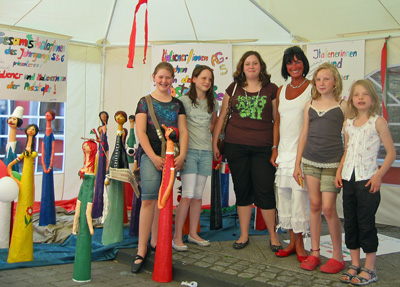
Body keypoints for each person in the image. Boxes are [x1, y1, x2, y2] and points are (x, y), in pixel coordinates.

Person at [212, 51, 281, 251]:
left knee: (265, 190)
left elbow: (277, 121)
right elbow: (222, 115)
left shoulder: (272, 89)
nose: (251, 66)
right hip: (236, 146)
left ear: (261, 66)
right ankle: (243, 235)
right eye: (247, 63)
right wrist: (215, 143)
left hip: (263, 147)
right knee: (242, 190)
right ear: (242, 67)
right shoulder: (233, 88)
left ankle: (273, 236)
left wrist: (277, 147)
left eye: (255, 63)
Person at [335, 79, 396, 285]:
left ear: (373, 98)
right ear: (351, 99)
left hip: (368, 180)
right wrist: (339, 172)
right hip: (349, 178)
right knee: (350, 222)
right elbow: (347, 151)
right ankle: (354, 263)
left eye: (365, 94)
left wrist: (378, 175)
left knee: (366, 222)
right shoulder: (348, 124)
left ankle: (370, 267)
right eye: (356, 94)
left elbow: (391, 153)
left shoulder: (377, 122)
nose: (360, 97)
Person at [132, 62, 188, 273]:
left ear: (173, 79)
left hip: (172, 159)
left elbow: (183, 131)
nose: (164, 81)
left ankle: (157, 242)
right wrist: (153, 157)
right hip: (150, 157)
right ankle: (141, 249)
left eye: (168, 78)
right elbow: (141, 132)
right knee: (149, 199)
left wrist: (182, 154)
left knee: (163, 202)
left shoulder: (177, 104)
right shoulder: (144, 102)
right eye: (160, 77)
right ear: (154, 77)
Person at [293, 62, 347, 273]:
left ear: (335, 82)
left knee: (328, 208)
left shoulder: (342, 106)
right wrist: (298, 163)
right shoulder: (310, 105)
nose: (322, 83)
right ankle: (314, 252)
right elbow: (304, 134)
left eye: (326, 79)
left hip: (333, 164)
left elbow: (348, 139)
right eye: (318, 79)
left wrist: (342, 167)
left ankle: (338, 256)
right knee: (314, 206)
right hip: (310, 162)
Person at [270, 46, 310, 262]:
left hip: (302, 154)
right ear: (286, 67)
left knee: (300, 199)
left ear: (304, 63)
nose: (294, 66)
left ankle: (302, 245)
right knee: (284, 198)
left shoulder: (312, 87)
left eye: (298, 61)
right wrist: (274, 149)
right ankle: (292, 243)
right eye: (289, 63)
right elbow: (278, 122)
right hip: (283, 153)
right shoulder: (281, 89)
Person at [172, 65, 219, 251]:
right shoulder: (182, 101)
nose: (206, 82)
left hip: (205, 152)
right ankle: (177, 237)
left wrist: (214, 147)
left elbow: (213, 126)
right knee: (188, 194)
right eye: (203, 78)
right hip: (189, 152)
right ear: (193, 79)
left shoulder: (213, 103)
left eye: (209, 79)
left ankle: (192, 233)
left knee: (198, 196)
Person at [7, 124, 39, 263]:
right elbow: (9, 165)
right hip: (24, 183)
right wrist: (13, 177)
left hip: (28, 182)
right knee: (24, 213)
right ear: (26, 131)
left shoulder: (31, 151)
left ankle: (24, 253)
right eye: (30, 129)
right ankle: (18, 253)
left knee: (27, 213)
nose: (31, 131)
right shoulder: (24, 153)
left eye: (33, 130)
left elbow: (29, 150)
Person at [102, 111, 129, 245]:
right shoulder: (117, 139)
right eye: (117, 117)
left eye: (120, 117)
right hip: (113, 171)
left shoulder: (121, 138)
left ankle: (115, 232)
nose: (119, 118)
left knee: (117, 199)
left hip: (119, 170)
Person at [72, 139, 98, 282]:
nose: (84, 146)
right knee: (79, 211)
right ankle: (76, 226)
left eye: (87, 145)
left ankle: (89, 227)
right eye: (84, 145)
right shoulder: (86, 161)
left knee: (86, 211)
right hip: (84, 190)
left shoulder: (94, 161)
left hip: (88, 190)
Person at [39, 110, 56, 226]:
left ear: (52, 117)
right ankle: (45, 217)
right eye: (46, 115)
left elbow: (53, 151)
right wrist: (44, 165)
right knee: (45, 188)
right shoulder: (46, 136)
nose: (47, 116)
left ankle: (49, 218)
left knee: (48, 188)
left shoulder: (51, 136)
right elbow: (43, 151)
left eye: (49, 115)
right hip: (45, 166)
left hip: (48, 167)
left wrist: (50, 165)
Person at [92, 111, 109, 219]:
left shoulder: (104, 134)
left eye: (104, 116)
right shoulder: (100, 142)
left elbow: (106, 151)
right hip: (100, 157)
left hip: (103, 156)